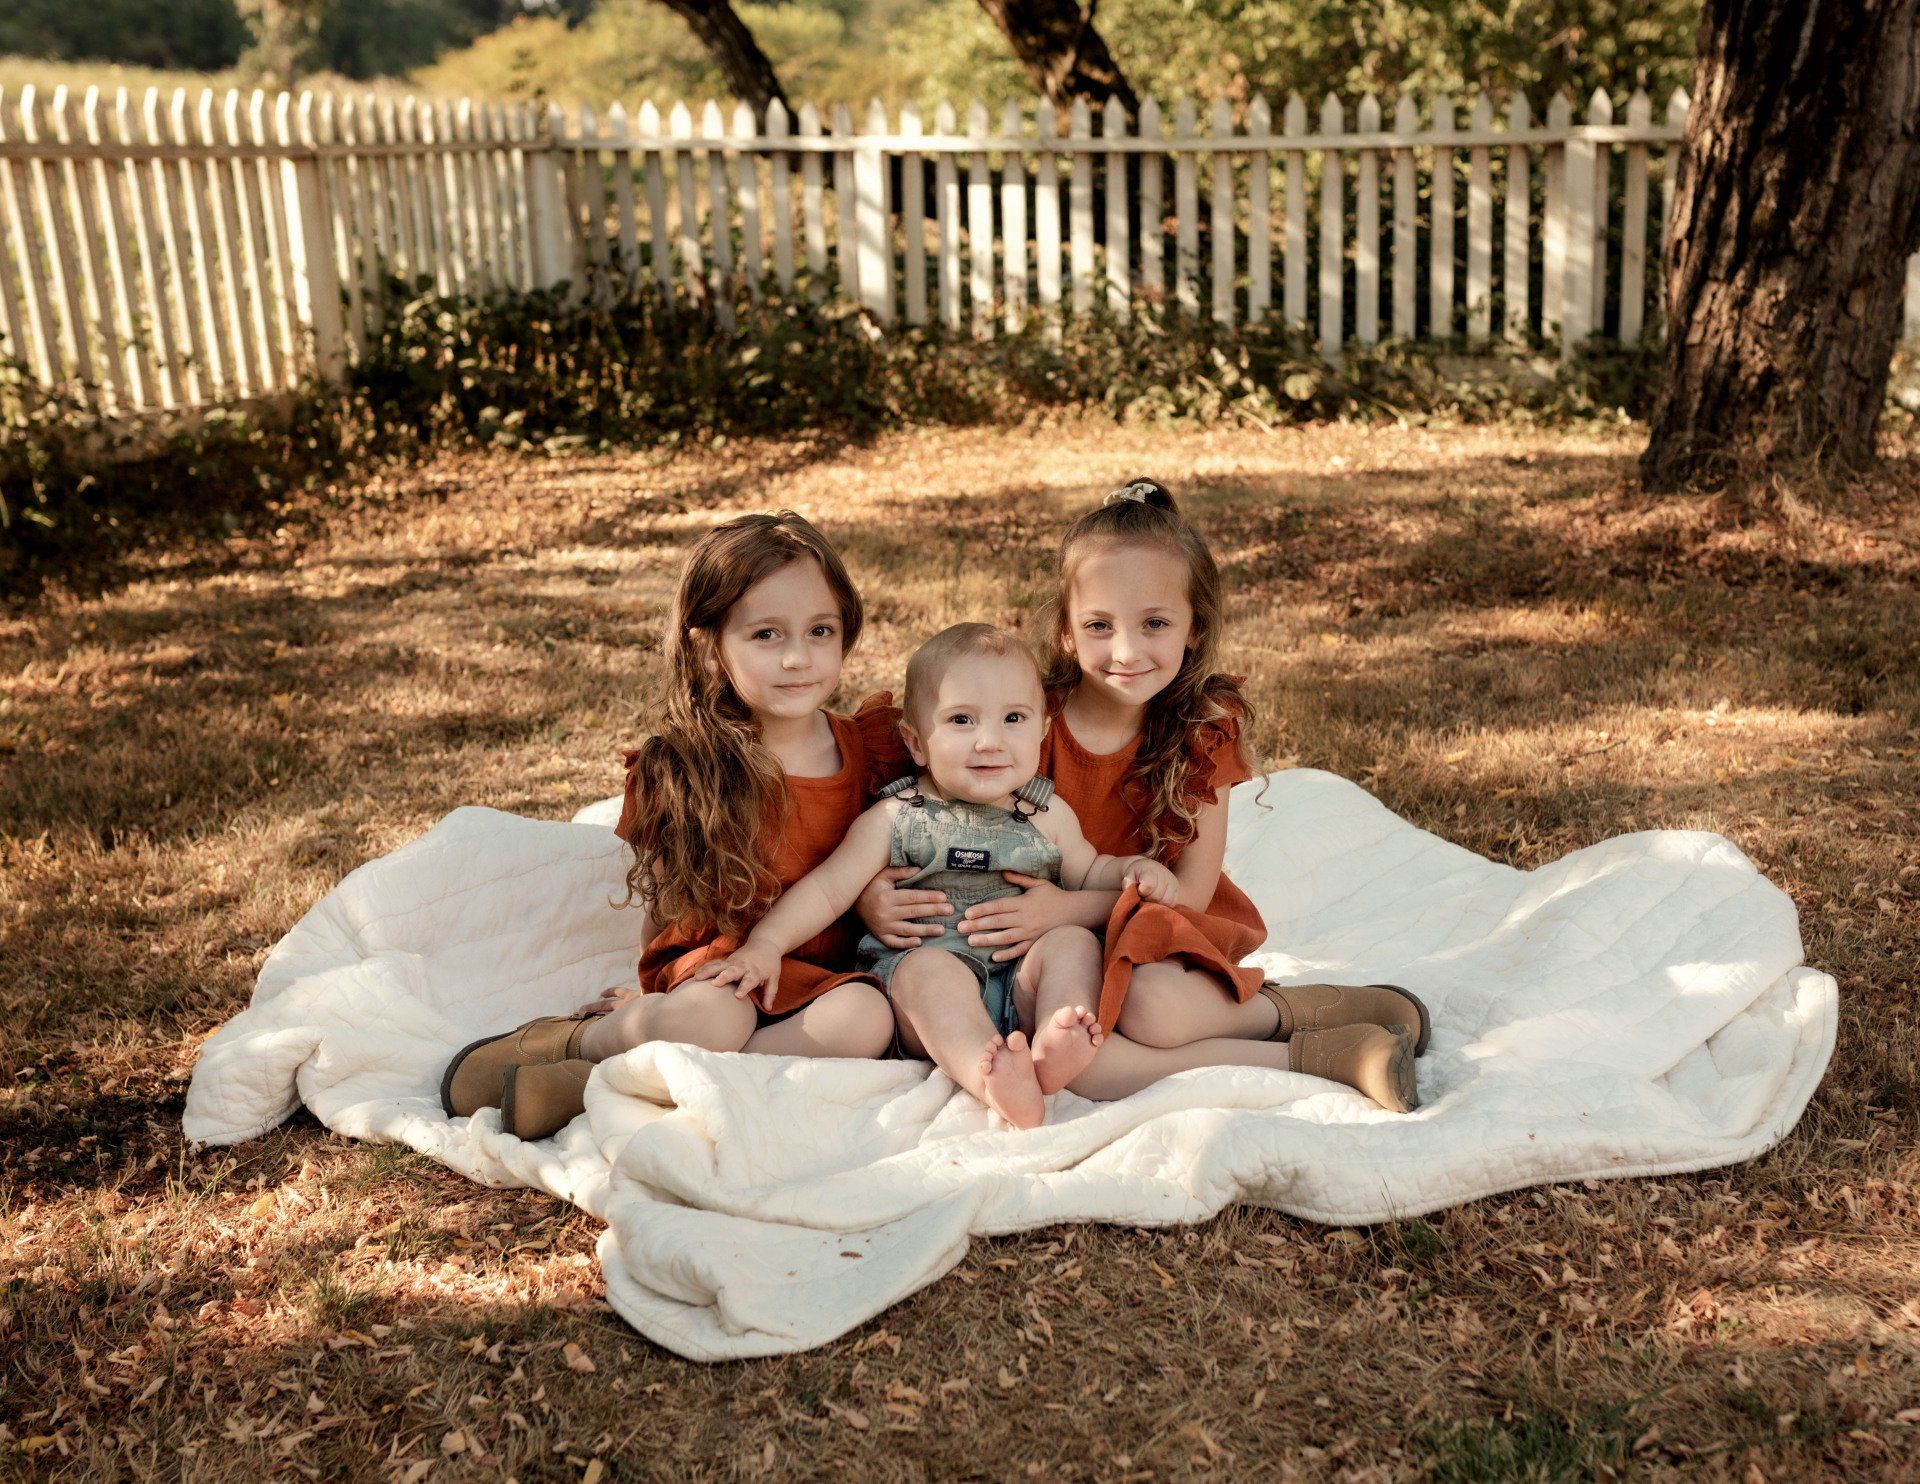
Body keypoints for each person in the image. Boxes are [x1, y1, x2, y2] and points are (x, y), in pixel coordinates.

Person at [865, 479, 1428, 1111]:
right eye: (1100, 625)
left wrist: (1064, 911)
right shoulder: (1018, 721)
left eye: (1155, 623)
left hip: (1157, 934)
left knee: (1152, 1009)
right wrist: (872, 895)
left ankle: (1303, 1010)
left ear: (1195, 626)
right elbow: (913, 805)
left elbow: (1187, 892)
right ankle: (1334, 1054)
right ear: (1066, 632)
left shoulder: (1198, 737)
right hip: (1043, 954)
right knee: (1093, 1072)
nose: (1127, 651)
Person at [439, 512, 903, 1138]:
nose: (799, 657)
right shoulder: (687, 768)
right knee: (714, 1022)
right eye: (767, 634)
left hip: (821, 973)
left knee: (869, 1019)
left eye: (821, 630)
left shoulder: (871, 751)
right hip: (718, 967)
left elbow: (907, 839)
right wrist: (652, 996)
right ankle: (585, 1042)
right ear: (708, 646)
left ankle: (630, 1084)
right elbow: (667, 898)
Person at [693, 622, 1175, 1129]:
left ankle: (1058, 1038)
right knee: (928, 971)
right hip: (930, 994)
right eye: (962, 720)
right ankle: (987, 1074)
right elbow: (828, 888)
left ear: (1041, 731)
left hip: (1024, 982)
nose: (990, 742)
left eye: (1013, 718)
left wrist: (1132, 869)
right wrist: (767, 943)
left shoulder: (1047, 813)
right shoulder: (896, 816)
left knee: (1074, 942)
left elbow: (1091, 871)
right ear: (916, 743)